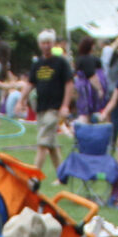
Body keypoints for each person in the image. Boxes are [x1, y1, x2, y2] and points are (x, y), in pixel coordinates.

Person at [29, 30, 73, 176]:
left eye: (49, 43)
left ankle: (34, 177)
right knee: (52, 145)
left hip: (55, 107)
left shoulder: (61, 62)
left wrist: (65, 105)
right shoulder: (37, 64)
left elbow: (69, 83)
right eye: (43, 43)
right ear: (39, 45)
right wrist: (21, 100)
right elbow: (30, 83)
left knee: (42, 142)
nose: (46, 46)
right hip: (41, 107)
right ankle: (62, 175)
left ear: (53, 44)